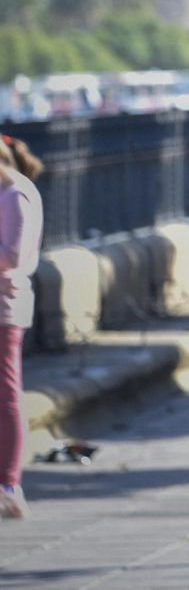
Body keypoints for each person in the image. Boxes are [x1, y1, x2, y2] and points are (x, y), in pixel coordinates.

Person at [0, 135, 43, 519]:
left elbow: (10, 255)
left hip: (4, 307)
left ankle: (10, 485)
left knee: (7, 394)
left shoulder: (14, 195)